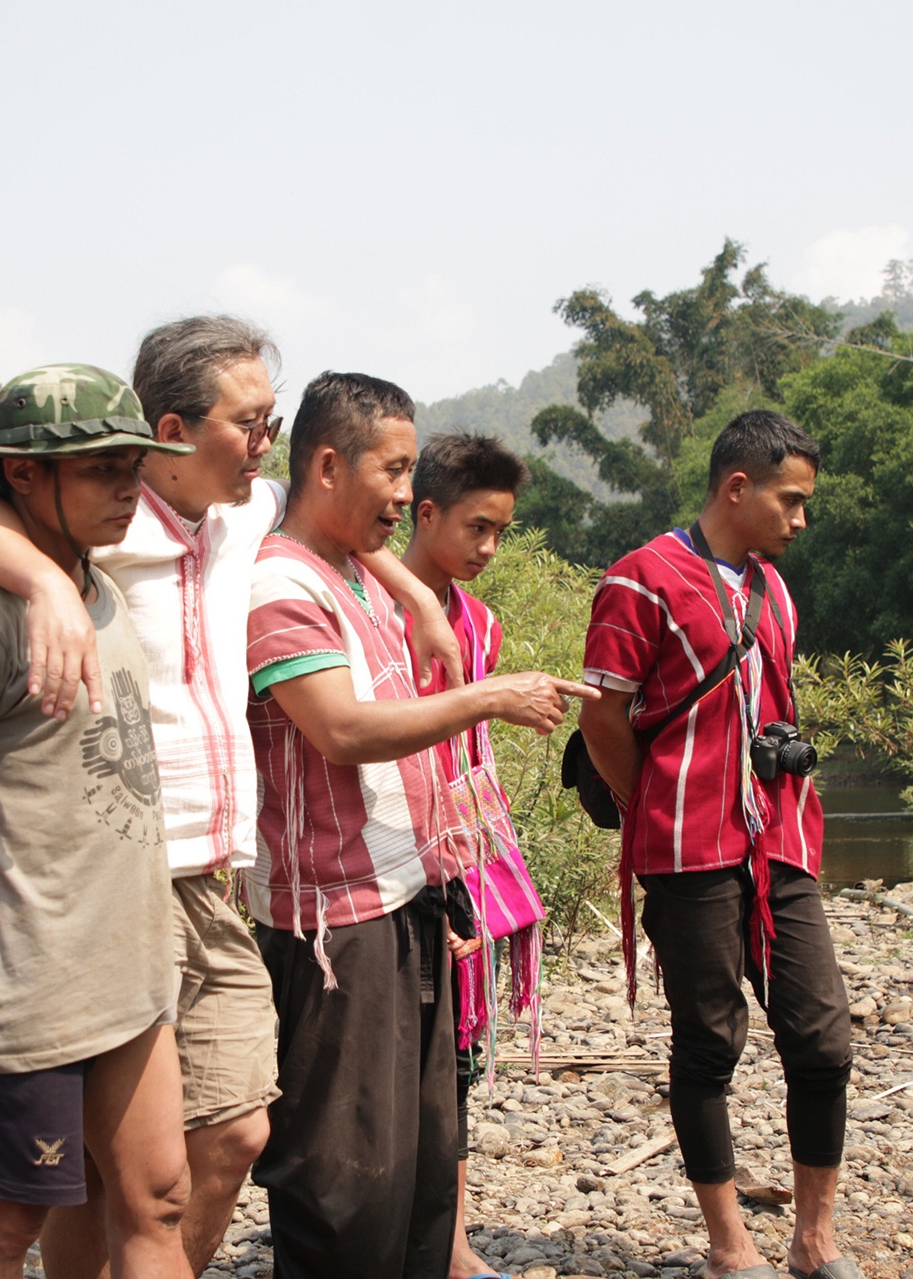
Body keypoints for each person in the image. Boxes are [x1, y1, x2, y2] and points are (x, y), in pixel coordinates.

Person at [0, 317, 464, 1278]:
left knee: (235, 1129)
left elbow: (325, 515)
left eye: (272, 421)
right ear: (175, 427)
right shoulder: (99, 531)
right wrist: (44, 584)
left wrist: (412, 593)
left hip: (212, 877)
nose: (267, 442)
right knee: (80, 1175)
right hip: (108, 884)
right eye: (250, 422)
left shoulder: (241, 513)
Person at [245, 372, 596, 1279]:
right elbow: (344, 729)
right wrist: (489, 693)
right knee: (344, 1185)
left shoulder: (356, 570)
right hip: (336, 924)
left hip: (403, 900)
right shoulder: (283, 586)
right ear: (328, 466)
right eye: (394, 472)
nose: (406, 495)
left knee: (420, 1164)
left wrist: (424, 602)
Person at [0, 365, 195, 1279]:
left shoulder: (92, 584)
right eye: (100, 468)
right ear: (23, 476)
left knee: (156, 1196)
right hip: (30, 978)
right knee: (8, 1220)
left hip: (125, 968)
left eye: (134, 464)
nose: (128, 487)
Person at [576, 410, 856, 1279]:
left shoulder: (774, 590)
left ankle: (815, 1241)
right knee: (709, 1041)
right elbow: (602, 718)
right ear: (738, 487)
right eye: (791, 499)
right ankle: (732, 1247)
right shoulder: (640, 579)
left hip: (780, 845)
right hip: (686, 849)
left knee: (822, 1038)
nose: (800, 519)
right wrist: (652, 802)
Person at [398, 432, 545, 1279]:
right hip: (391, 861)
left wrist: (479, 889)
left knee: (455, 1059)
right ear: (426, 512)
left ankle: (448, 1246)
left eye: (501, 532)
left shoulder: (479, 624)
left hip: (460, 857)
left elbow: (472, 762)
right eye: (477, 528)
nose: (489, 548)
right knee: (396, 1061)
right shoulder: (374, 607)